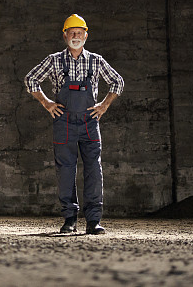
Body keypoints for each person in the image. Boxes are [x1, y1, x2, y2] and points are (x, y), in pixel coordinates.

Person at [24, 14, 124, 235]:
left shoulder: (96, 61)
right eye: (72, 33)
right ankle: (69, 220)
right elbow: (31, 79)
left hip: (90, 122)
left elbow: (118, 81)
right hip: (64, 122)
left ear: (86, 35)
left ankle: (93, 221)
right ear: (65, 35)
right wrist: (47, 102)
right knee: (66, 171)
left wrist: (104, 105)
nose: (76, 36)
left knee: (93, 171)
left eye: (79, 33)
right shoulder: (54, 61)